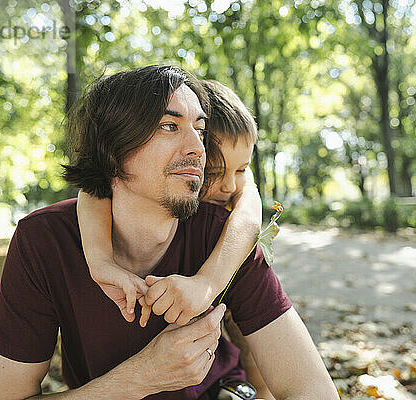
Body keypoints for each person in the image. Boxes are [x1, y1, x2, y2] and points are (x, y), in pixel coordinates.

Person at [0, 65, 339, 399]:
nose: (198, 149)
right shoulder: (44, 242)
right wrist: (141, 377)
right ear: (114, 147)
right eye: (170, 126)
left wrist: (208, 284)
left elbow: (312, 389)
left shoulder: (224, 236)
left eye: (200, 130)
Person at [76, 79, 274, 398]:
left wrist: (207, 283)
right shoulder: (170, 180)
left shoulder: (230, 196)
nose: (229, 187)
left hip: (225, 283)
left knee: (250, 341)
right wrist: (100, 261)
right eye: (215, 172)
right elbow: (92, 191)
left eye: (240, 171)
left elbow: (249, 217)